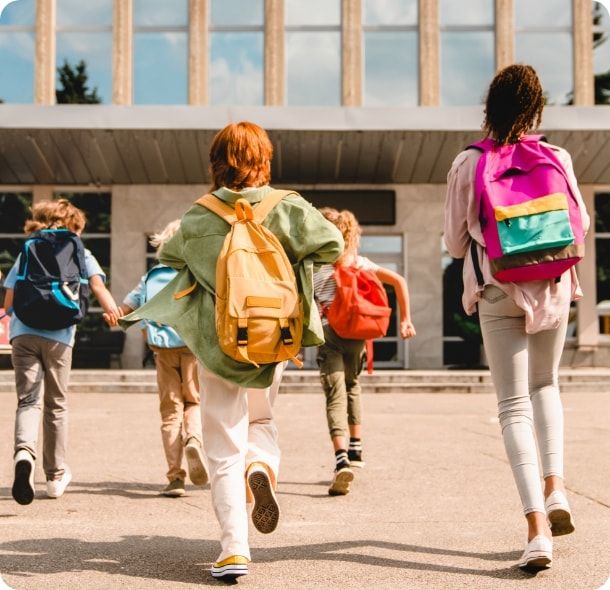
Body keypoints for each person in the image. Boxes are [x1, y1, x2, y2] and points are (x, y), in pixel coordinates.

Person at [119, 121, 344, 580]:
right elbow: (332, 245)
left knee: (222, 442)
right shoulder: (289, 207)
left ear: (216, 162)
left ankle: (234, 547)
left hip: (219, 342)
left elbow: (169, 259)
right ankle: (260, 465)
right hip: (274, 338)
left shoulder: (199, 216)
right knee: (261, 419)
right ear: (264, 159)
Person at [444, 64, 590, 571]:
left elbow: (454, 242)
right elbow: (582, 225)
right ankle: (556, 489)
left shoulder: (468, 161)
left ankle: (536, 529)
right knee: (546, 386)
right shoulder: (557, 155)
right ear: (536, 109)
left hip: (498, 286)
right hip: (550, 285)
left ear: (491, 107)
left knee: (512, 406)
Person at [3, 199, 120, 505]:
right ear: (74, 226)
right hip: (59, 337)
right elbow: (97, 287)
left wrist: (12, 313)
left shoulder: (29, 248)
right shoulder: (81, 250)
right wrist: (113, 313)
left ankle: (23, 455)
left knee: (28, 401)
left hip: (23, 333)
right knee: (56, 405)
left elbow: (9, 300)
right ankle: (54, 477)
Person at [314, 207, 416, 496]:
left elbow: (304, 304)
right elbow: (400, 281)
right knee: (353, 386)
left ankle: (341, 458)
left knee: (335, 394)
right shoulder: (358, 262)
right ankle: (356, 449)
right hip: (357, 335)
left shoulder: (315, 266)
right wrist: (406, 320)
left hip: (329, 335)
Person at [104, 220, 207, 498]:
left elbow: (125, 309)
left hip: (162, 352)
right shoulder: (195, 274)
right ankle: (194, 439)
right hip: (192, 348)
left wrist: (113, 314)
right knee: (194, 402)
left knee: (170, 412)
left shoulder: (151, 277)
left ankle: (175, 477)